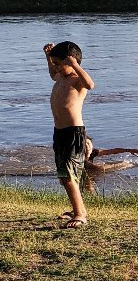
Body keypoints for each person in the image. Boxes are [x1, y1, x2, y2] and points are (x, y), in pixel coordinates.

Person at [44, 41, 95, 229]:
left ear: (71, 61)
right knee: (64, 175)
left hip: (73, 132)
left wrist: (74, 65)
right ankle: (76, 210)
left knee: (68, 175)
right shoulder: (60, 78)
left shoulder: (76, 80)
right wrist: (48, 58)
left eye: (58, 63)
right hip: (59, 132)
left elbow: (90, 84)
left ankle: (81, 214)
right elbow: (52, 74)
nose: (55, 67)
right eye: (55, 63)